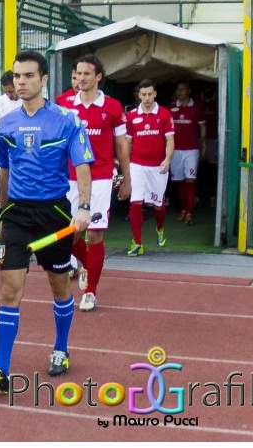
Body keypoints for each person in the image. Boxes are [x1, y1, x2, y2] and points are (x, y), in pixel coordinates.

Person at [0, 50, 93, 393]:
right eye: (17, 76)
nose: (20, 82)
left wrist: (83, 206)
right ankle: (1, 369)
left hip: (53, 213)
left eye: (28, 76)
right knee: (9, 291)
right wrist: (3, 212)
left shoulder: (67, 120)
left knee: (58, 286)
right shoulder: (6, 123)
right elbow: (5, 168)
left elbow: (83, 167)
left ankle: (60, 348)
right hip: (17, 215)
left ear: (43, 80)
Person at [57, 54, 130, 312]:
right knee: (70, 233)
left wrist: (126, 179)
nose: (81, 79)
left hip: (100, 177)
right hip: (68, 177)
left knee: (95, 233)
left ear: (98, 76)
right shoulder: (63, 103)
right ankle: (87, 264)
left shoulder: (113, 107)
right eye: (78, 74)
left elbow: (122, 145)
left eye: (87, 74)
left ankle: (90, 291)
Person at [125, 80, 175, 256]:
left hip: (158, 167)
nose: (146, 98)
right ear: (139, 95)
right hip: (137, 165)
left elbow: (170, 140)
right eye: (143, 95)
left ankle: (159, 228)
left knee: (158, 206)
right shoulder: (131, 116)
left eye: (150, 94)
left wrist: (168, 159)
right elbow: (128, 142)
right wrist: (125, 165)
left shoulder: (164, 114)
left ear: (155, 94)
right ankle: (137, 243)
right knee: (135, 203)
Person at [169, 82, 206, 226]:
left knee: (190, 179)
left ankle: (189, 213)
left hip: (191, 149)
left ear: (189, 91)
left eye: (183, 89)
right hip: (176, 150)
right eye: (178, 89)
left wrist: (203, 147)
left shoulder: (196, 107)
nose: (180, 91)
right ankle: (184, 209)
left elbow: (202, 127)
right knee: (180, 181)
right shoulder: (171, 107)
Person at [0, 70, 22, 207]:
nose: (10, 95)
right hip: (3, 152)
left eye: (11, 91)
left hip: (20, 152)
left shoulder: (26, 101)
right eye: (6, 92)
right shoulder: (1, 101)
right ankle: (1, 222)